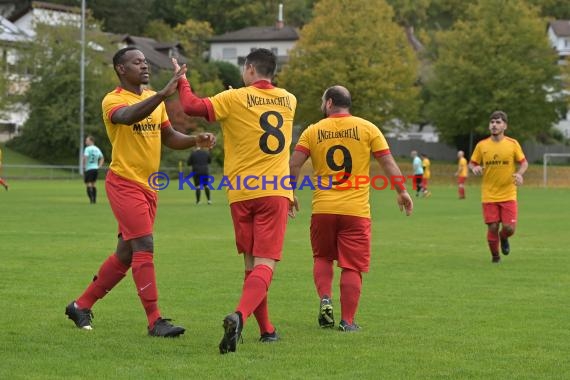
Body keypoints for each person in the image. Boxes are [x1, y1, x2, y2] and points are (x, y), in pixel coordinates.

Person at [65, 47, 215, 336]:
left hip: (149, 186)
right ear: (121, 69)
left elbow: (169, 137)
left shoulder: (152, 100)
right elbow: (128, 117)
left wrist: (196, 139)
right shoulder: (113, 99)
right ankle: (155, 320)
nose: (144, 66)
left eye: (145, 62)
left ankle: (80, 305)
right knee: (144, 246)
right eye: (137, 62)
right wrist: (162, 94)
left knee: (125, 254)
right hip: (124, 183)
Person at [174, 48, 297, 353]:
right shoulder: (290, 100)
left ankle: (267, 330)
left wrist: (182, 79)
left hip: (241, 192)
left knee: (251, 263)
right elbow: (256, 115)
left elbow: (190, 106)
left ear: (249, 68)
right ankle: (240, 316)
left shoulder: (234, 99)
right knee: (265, 264)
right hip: (274, 190)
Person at [289, 85, 413, 332]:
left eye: (323, 101)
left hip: (323, 208)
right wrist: (402, 191)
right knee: (352, 266)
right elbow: (387, 162)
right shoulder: (368, 128)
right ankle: (348, 321)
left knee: (322, 257)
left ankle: (325, 298)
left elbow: (294, 164)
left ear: (330, 104)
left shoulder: (312, 131)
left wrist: (289, 193)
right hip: (356, 211)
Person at [469, 111, 528, 263]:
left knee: (509, 229)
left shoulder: (512, 144)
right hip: (489, 194)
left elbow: (523, 162)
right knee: (492, 226)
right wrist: (474, 168)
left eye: (498, 122)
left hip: (508, 193)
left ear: (505, 126)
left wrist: (520, 174)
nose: (494, 125)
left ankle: (504, 237)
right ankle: (495, 257)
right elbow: (472, 163)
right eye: (492, 122)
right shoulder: (482, 145)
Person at [83, 136, 104, 204]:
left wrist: (84, 166)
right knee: (93, 184)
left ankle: (91, 200)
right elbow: (102, 158)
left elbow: (85, 158)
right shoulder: (97, 149)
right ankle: (94, 199)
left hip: (89, 168)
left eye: (87, 140)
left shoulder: (87, 149)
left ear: (91, 141)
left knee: (88, 184)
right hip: (95, 169)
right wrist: (99, 166)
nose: (85, 142)